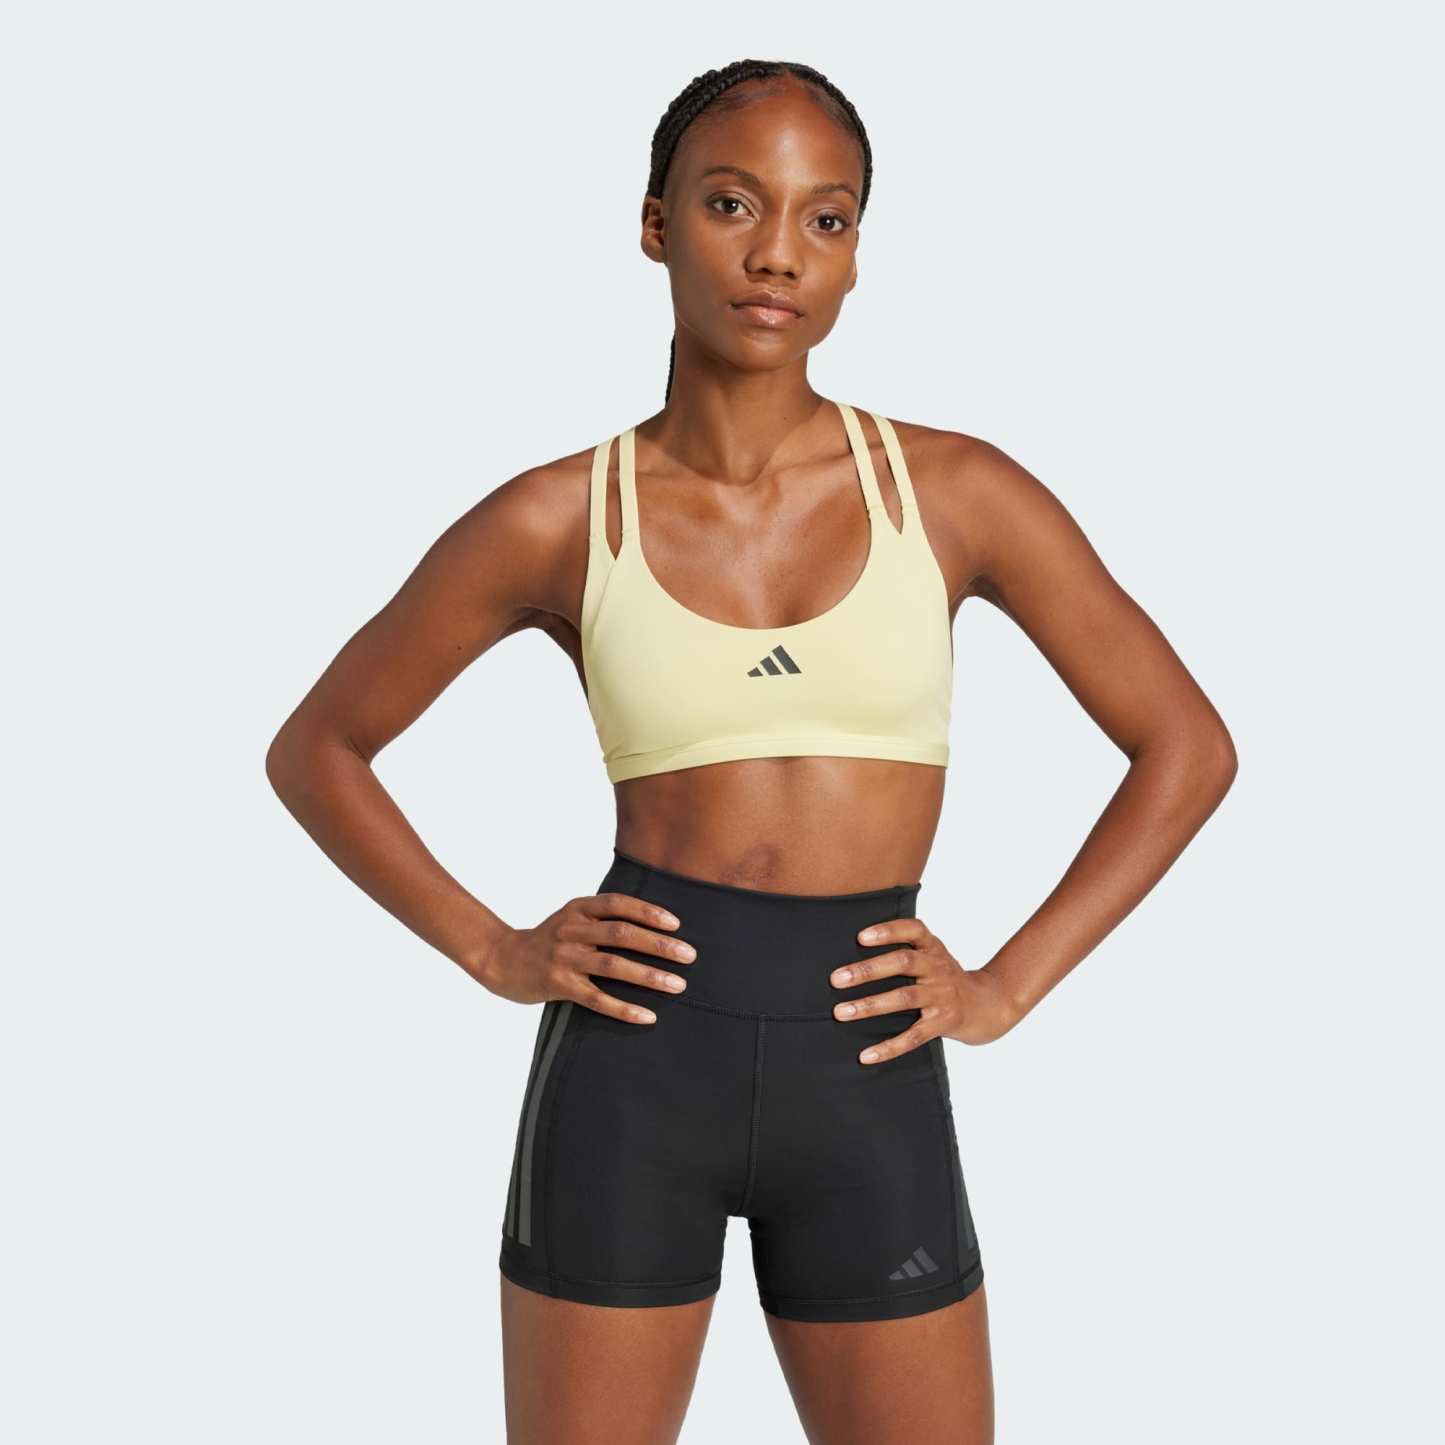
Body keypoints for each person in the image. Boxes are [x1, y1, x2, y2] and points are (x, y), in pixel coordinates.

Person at [265, 57, 1237, 1445]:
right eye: (733, 204)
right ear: (656, 223)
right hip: (633, 1067)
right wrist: (490, 948)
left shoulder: (956, 493)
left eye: (824, 218)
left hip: (868, 1068)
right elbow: (320, 748)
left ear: (854, 255)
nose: (778, 252)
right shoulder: (559, 515)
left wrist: (1007, 985)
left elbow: (1185, 746)